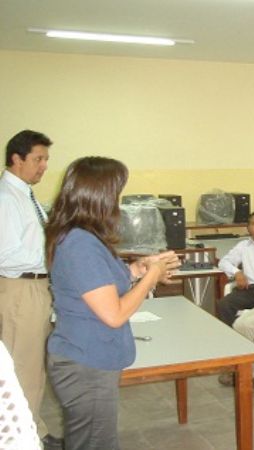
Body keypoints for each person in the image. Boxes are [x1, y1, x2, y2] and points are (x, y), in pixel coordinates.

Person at [45, 157, 180, 450]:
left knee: (91, 441)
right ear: (99, 197)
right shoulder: (80, 244)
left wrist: (137, 270)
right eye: (115, 194)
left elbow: (97, 284)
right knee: (96, 444)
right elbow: (114, 314)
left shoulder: (84, 236)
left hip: (88, 358)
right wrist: (152, 277)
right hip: (86, 363)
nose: (117, 203)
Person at [0, 130, 61, 448]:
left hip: (36, 287)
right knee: (22, 367)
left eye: (46, 160)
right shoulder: (6, 198)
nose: (44, 166)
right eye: (38, 159)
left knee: (34, 367)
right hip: (20, 289)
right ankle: (23, 437)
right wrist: (52, 255)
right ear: (17, 158)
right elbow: (5, 255)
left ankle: (33, 428)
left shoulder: (25, 194)